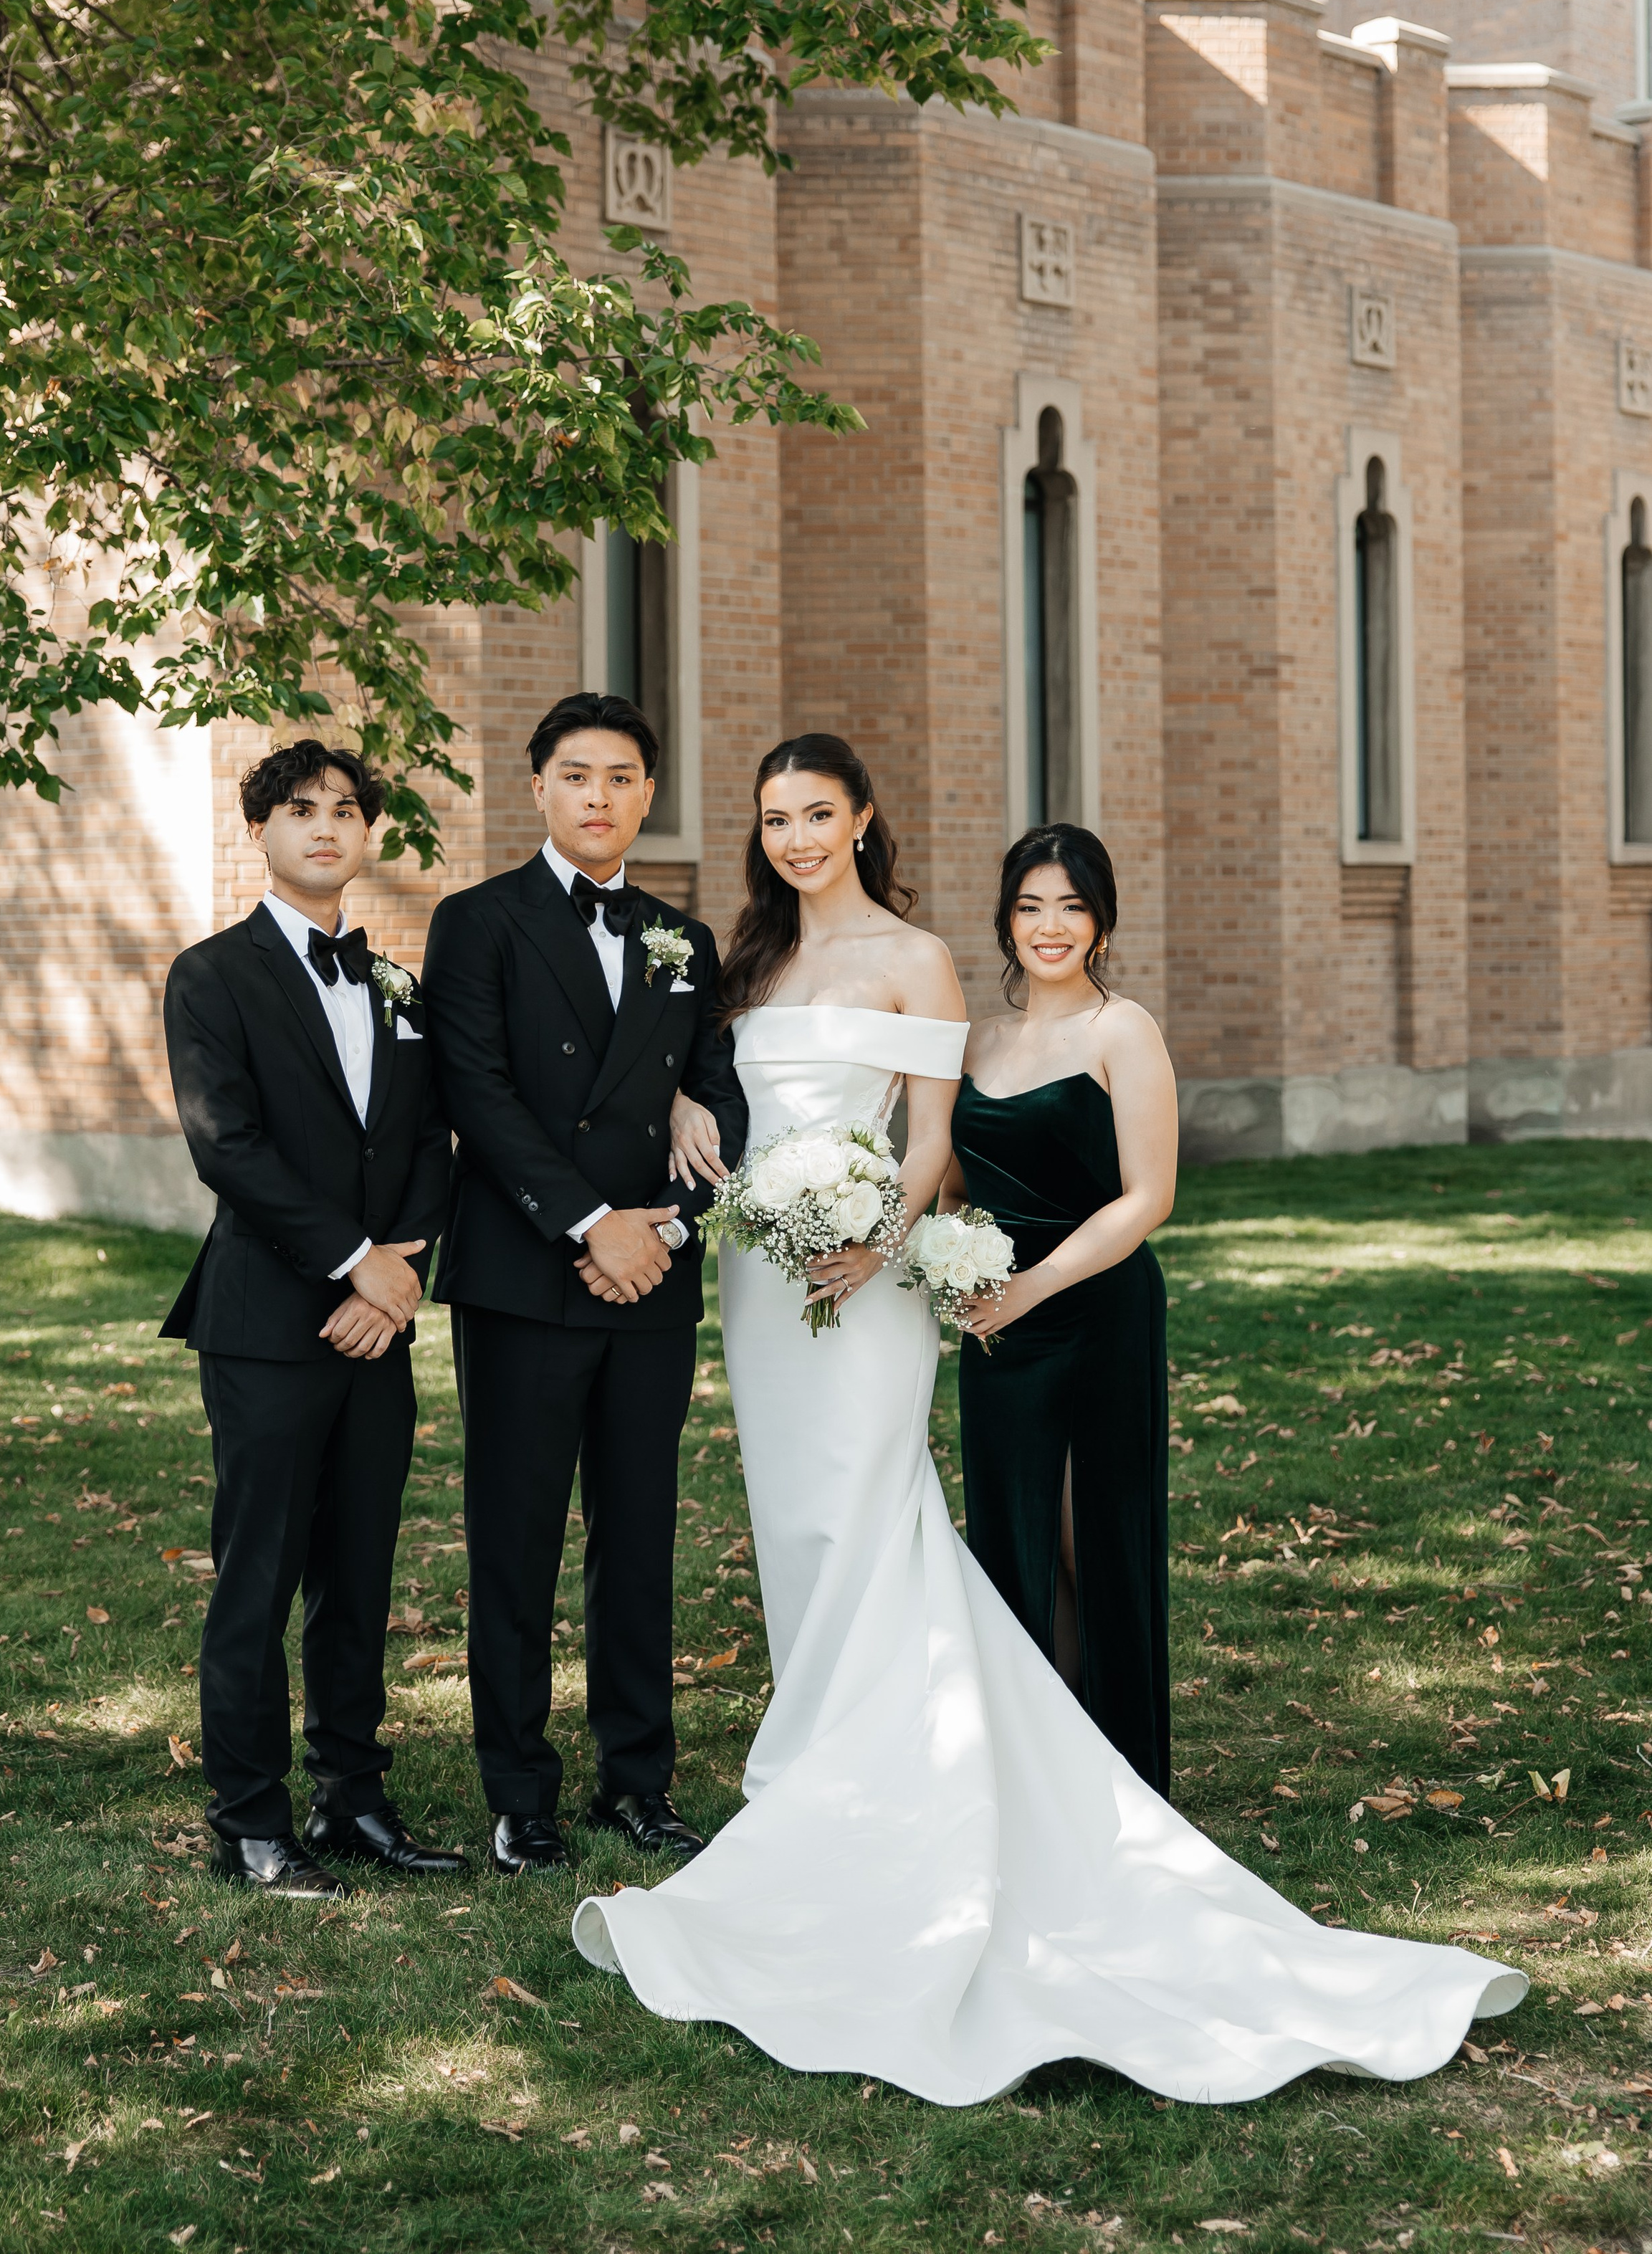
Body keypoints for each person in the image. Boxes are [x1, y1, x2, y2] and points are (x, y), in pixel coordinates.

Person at [573, 737, 1525, 2106]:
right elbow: (716, 1078)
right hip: (761, 1284)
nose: (796, 837)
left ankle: (913, 1783)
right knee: (792, 1524)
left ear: (864, 819)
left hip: (866, 1278)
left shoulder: (921, 960)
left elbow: (930, 1140)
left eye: (819, 813)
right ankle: (825, 1758)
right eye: (775, 818)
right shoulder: (749, 960)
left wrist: (880, 1238)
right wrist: (680, 1098)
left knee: (874, 1509)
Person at [422, 690, 748, 1876]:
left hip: (651, 1277)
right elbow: (478, 1093)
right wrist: (591, 1224)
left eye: (619, 777)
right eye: (575, 776)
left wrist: (669, 1228)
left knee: (640, 1539)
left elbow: (723, 1096)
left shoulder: (683, 940)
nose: (598, 797)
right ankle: (520, 1794)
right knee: (515, 1544)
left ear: (647, 794)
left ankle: (637, 1781)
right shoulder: (478, 922)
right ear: (538, 789)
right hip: (526, 1276)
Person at [160, 741, 461, 1896]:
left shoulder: (400, 987)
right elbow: (226, 1146)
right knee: (262, 1574)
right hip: (266, 1324)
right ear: (261, 832)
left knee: (359, 1573)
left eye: (344, 809)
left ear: (367, 833)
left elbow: (430, 1140)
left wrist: (398, 1275)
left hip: (377, 1326)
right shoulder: (211, 976)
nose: (325, 826)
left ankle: (354, 1801)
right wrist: (352, 1264)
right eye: (300, 809)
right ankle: (249, 1820)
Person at [942, 824, 1175, 1794]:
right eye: (1031, 906)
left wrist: (1033, 1286)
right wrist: (948, 1256)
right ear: (1006, 921)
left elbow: (1149, 1197)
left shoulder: (1123, 1030)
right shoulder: (979, 1039)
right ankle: (1035, 1774)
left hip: (1092, 1312)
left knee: (1091, 1539)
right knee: (1016, 1536)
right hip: (996, 1326)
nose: (1050, 926)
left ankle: (1115, 1777)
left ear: (1101, 923)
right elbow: (959, 1181)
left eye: (1072, 907)